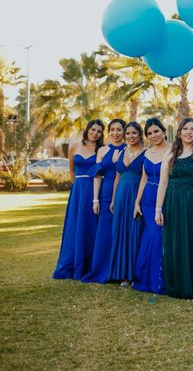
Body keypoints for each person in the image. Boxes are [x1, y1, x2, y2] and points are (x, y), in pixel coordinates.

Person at [155, 117, 193, 299]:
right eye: (185, 129)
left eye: (192, 129)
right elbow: (163, 184)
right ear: (179, 133)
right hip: (174, 203)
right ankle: (177, 285)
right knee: (176, 241)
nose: (189, 132)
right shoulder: (170, 155)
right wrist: (158, 209)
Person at [53, 119, 105, 280]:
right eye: (93, 129)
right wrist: (77, 189)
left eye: (98, 131)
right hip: (78, 191)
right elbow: (71, 171)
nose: (95, 133)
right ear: (87, 129)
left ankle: (89, 264)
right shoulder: (74, 146)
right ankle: (73, 264)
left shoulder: (101, 149)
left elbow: (101, 173)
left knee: (90, 226)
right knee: (75, 226)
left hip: (94, 189)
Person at [82, 118, 126, 284]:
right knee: (104, 232)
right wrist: (95, 199)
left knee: (120, 231)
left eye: (119, 129)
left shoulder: (128, 148)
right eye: (112, 130)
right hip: (105, 194)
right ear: (109, 132)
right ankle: (102, 270)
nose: (115, 133)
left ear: (124, 131)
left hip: (122, 193)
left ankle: (119, 271)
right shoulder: (102, 150)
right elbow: (97, 176)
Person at [132, 118, 171, 294]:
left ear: (163, 131)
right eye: (149, 133)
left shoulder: (173, 150)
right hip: (147, 199)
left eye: (156, 131)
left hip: (165, 197)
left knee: (158, 237)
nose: (153, 135)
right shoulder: (147, 153)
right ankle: (143, 277)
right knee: (149, 237)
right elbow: (143, 179)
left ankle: (159, 279)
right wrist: (137, 202)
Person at [108, 121, 145, 286]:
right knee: (120, 231)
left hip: (137, 195)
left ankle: (133, 274)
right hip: (121, 196)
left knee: (135, 231)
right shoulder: (120, 152)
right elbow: (117, 177)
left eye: (134, 133)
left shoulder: (146, 153)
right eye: (128, 133)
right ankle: (122, 274)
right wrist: (113, 199)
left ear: (140, 135)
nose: (130, 136)